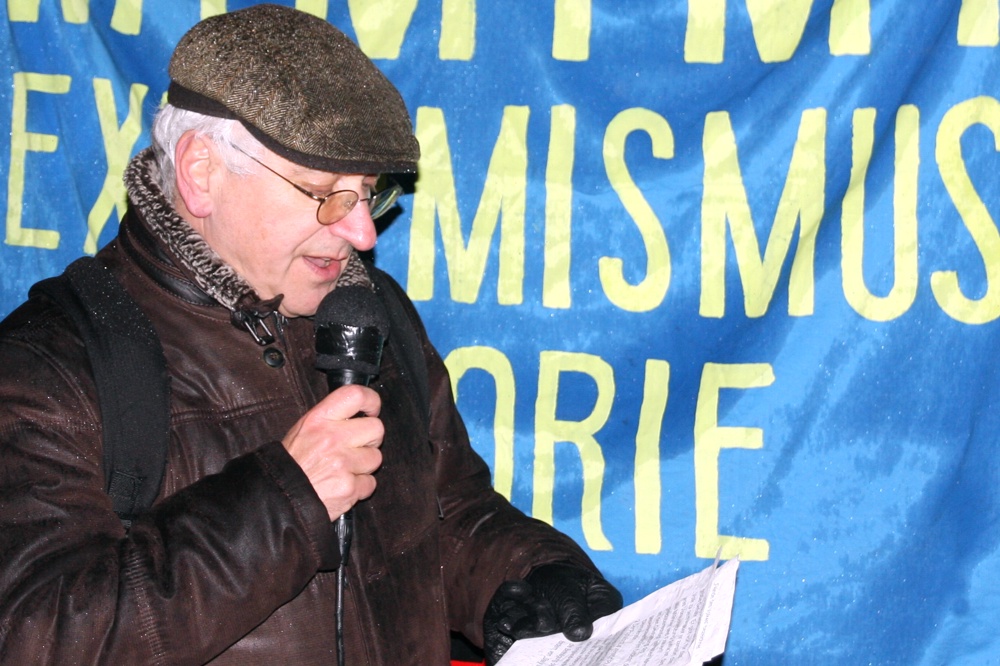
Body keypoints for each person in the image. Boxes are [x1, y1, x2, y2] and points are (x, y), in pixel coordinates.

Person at [0, 4, 622, 665]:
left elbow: (448, 511)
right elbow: (39, 635)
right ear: (201, 172)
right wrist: (285, 498)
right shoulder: (51, 366)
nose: (362, 235)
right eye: (327, 195)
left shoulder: (367, 309)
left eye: (370, 195)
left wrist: (534, 577)